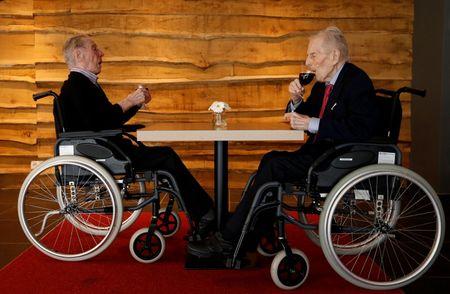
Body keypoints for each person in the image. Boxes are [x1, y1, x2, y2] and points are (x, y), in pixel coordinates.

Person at [188, 26, 379, 258]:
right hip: (320, 152)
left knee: (274, 166)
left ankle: (228, 239)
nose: (308, 62)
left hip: (337, 158)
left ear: (334, 56)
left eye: (313, 55)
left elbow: (361, 129)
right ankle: (254, 230)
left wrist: (312, 124)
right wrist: (296, 100)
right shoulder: (323, 84)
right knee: (271, 159)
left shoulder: (356, 81)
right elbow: (305, 114)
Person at [58, 35, 215, 236]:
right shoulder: (76, 86)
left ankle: (203, 212)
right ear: (78, 54)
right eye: (95, 48)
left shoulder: (82, 84)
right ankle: (205, 213)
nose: (101, 53)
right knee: (166, 156)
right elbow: (99, 123)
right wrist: (129, 101)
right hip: (106, 152)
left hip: (106, 147)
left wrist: (137, 102)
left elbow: (108, 120)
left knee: (165, 156)